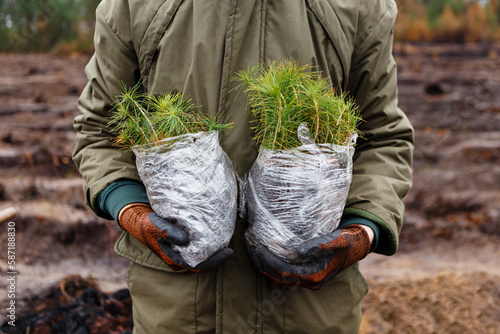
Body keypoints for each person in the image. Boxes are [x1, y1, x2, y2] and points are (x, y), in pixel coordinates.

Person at [73, 0, 414, 332]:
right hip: (177, 312)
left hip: (309, 313)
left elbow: (383, 138)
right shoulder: (133, 5)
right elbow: (100, 130)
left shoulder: (359, 6)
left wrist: (362, 230)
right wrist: (129, 207)